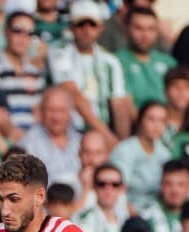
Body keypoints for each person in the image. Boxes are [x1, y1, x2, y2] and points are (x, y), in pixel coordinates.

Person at [48, 0, 133, 145]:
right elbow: (73, 95)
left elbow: (119, 104)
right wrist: (109, 139)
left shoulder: (110, 61)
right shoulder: (59, 51)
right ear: (72, 27)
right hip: (70, 133)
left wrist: (121, 144)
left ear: (100, 28)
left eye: (92, 25)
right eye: (81, 24)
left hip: (103, 135)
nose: (86, 30)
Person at [116, 7, 177, 109]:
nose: (145, 35)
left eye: (151, 29)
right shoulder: (116, 61)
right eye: (138, 28)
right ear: (127, 29)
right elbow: (123, 104)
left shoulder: (169, 62)